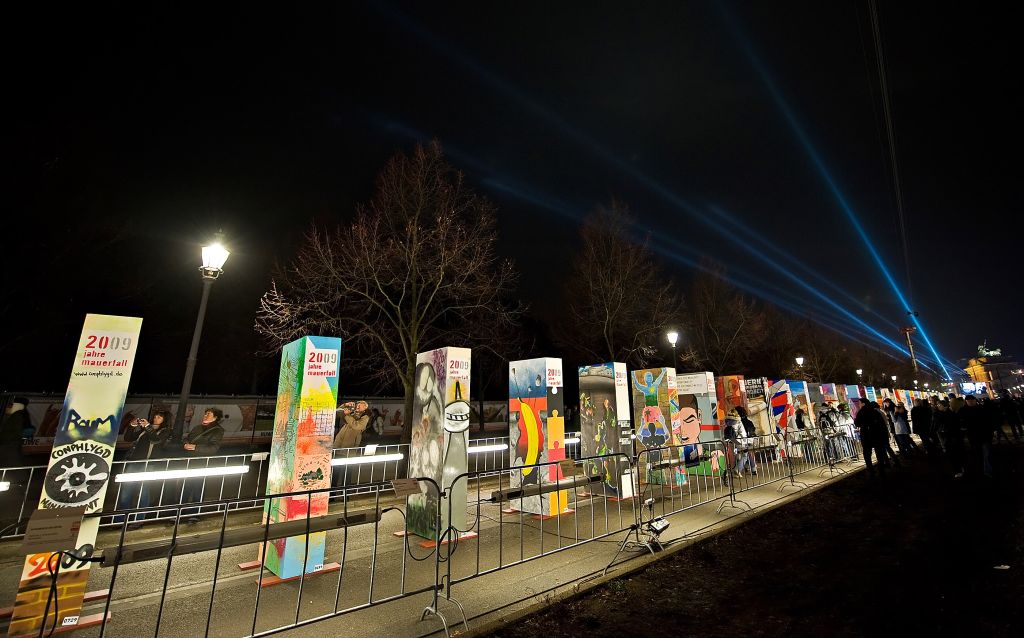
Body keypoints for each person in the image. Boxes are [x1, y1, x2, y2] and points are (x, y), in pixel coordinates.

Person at [116, 409, 172, 524]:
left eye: (159, 417)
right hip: (134, 461)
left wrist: (147, 426)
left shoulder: (165, 431)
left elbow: (156, 440)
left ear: (164, 420)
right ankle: (120, 520)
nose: (156, 418)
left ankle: (139, 519)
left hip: (148, 464)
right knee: (126, 491)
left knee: (143, 492)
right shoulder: (145, 429)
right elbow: (128, 438)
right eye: (155, 416)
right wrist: (132, 426)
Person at [180, 408, 226, 522]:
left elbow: (213, 448)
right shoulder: (197, 427)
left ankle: (195, 514)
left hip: (203, 463)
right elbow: (187, 437)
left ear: (215, 417)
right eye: (205, 413)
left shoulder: (217, 430)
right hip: (189, 462)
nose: (205, 415)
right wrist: (185, 443)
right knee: (185, 488)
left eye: (208, 414)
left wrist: (195, 447)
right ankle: (180, 511)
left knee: (198, 488)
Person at [959, 395, 992, 478]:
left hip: (984, 435)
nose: (970, 402)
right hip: (973, 436)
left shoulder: (982, 408)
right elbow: (960, 422)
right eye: (968, 401)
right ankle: (980, 469)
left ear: (975, 400)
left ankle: (987, 471)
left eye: (972, 400)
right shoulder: (963, 410)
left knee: (986, 454)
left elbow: (989, 420)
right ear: (966, 401)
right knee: (978, 453)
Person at [854, 399, 889, 477]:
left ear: (863, 404)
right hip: (876, 434)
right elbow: (881, 423)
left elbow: (857, 423)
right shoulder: (875, 411)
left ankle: (870, 469)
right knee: (878, 452)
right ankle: (881, 468)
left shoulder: (861, 412)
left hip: (866, 434)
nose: (859, 405)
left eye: (859, 403)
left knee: (867, 453)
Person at [933, 399, 964, 477]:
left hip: (951, 436)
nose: (938, 406)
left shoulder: (948, 414)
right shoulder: (944, 413)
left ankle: (958, 470)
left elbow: (950, 425)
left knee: (953, 454)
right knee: (954, 454)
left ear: (945, 406)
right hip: (950, 436)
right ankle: (959, 468)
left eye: (939, 405)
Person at [0, 396, 32, 468]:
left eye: (10, 405)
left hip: (9, 445)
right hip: (9, 445)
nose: (7, 408)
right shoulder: (17, 415)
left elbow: (17, 432)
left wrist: (3, 438)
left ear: (16, 406)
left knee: (11, 464)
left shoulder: (17, 416)